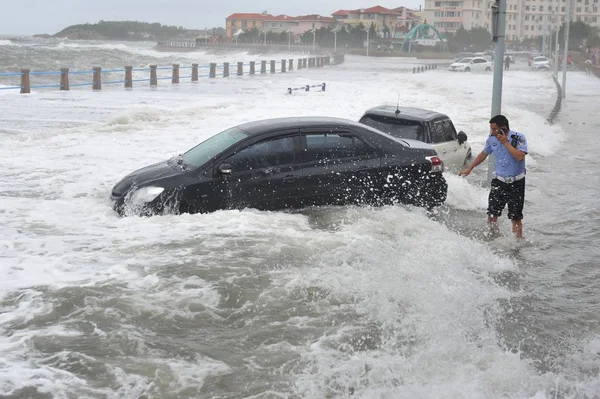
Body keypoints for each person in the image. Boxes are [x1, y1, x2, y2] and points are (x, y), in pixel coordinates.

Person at [459, 115, 528, 239]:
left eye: (495, 129)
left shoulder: (518, 138)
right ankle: (492, 238)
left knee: (515, 218)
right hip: (499, 181)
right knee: (492, 214)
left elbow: (520, 157)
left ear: (504, 127)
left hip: (516, 182)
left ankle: (517, 245)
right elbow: (484, 154)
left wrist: (505, 142)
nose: (492, 132)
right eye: (491, 129)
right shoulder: (491, 139)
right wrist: (470, 168)